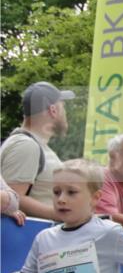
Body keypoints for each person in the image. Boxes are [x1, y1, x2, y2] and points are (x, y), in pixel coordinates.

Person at [0, 81, 73, 219]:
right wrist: (68, 216)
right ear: (53, 110)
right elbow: (13, 200)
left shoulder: (34, 145)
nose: (65, 113)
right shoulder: (26, 145)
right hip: (26, 237)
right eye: (63, 107)